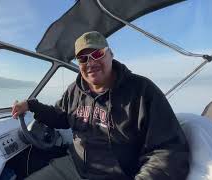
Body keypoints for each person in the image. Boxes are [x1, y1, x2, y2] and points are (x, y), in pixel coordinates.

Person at [12, 31, 189, 180]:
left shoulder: (142, 91)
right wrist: (31, 105)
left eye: (97, 54)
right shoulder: (75, 90)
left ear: (111, 54)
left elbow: (167, 151)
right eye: (83, 58)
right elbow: (60, 116)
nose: (90, 62)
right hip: (74, 167)